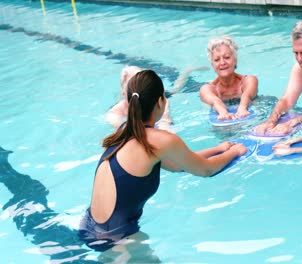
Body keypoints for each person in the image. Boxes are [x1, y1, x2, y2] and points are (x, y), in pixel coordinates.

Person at [79, 70, 247, 255]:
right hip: (119, 240)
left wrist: (219, 149)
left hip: (89, 228)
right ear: (161, 102)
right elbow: (205, 170)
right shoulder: (160, 140)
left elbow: (177, 164)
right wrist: (234, 152)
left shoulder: (124, 130)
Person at [200, 36, 258, 120]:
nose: (222, 63)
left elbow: (247, 95)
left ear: (235, 60)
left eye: (227, 57)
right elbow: (215, 101)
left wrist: (242, 108)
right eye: (216, 60)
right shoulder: (207, 89)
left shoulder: (249, 80)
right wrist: (223, 112)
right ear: (212, 65)